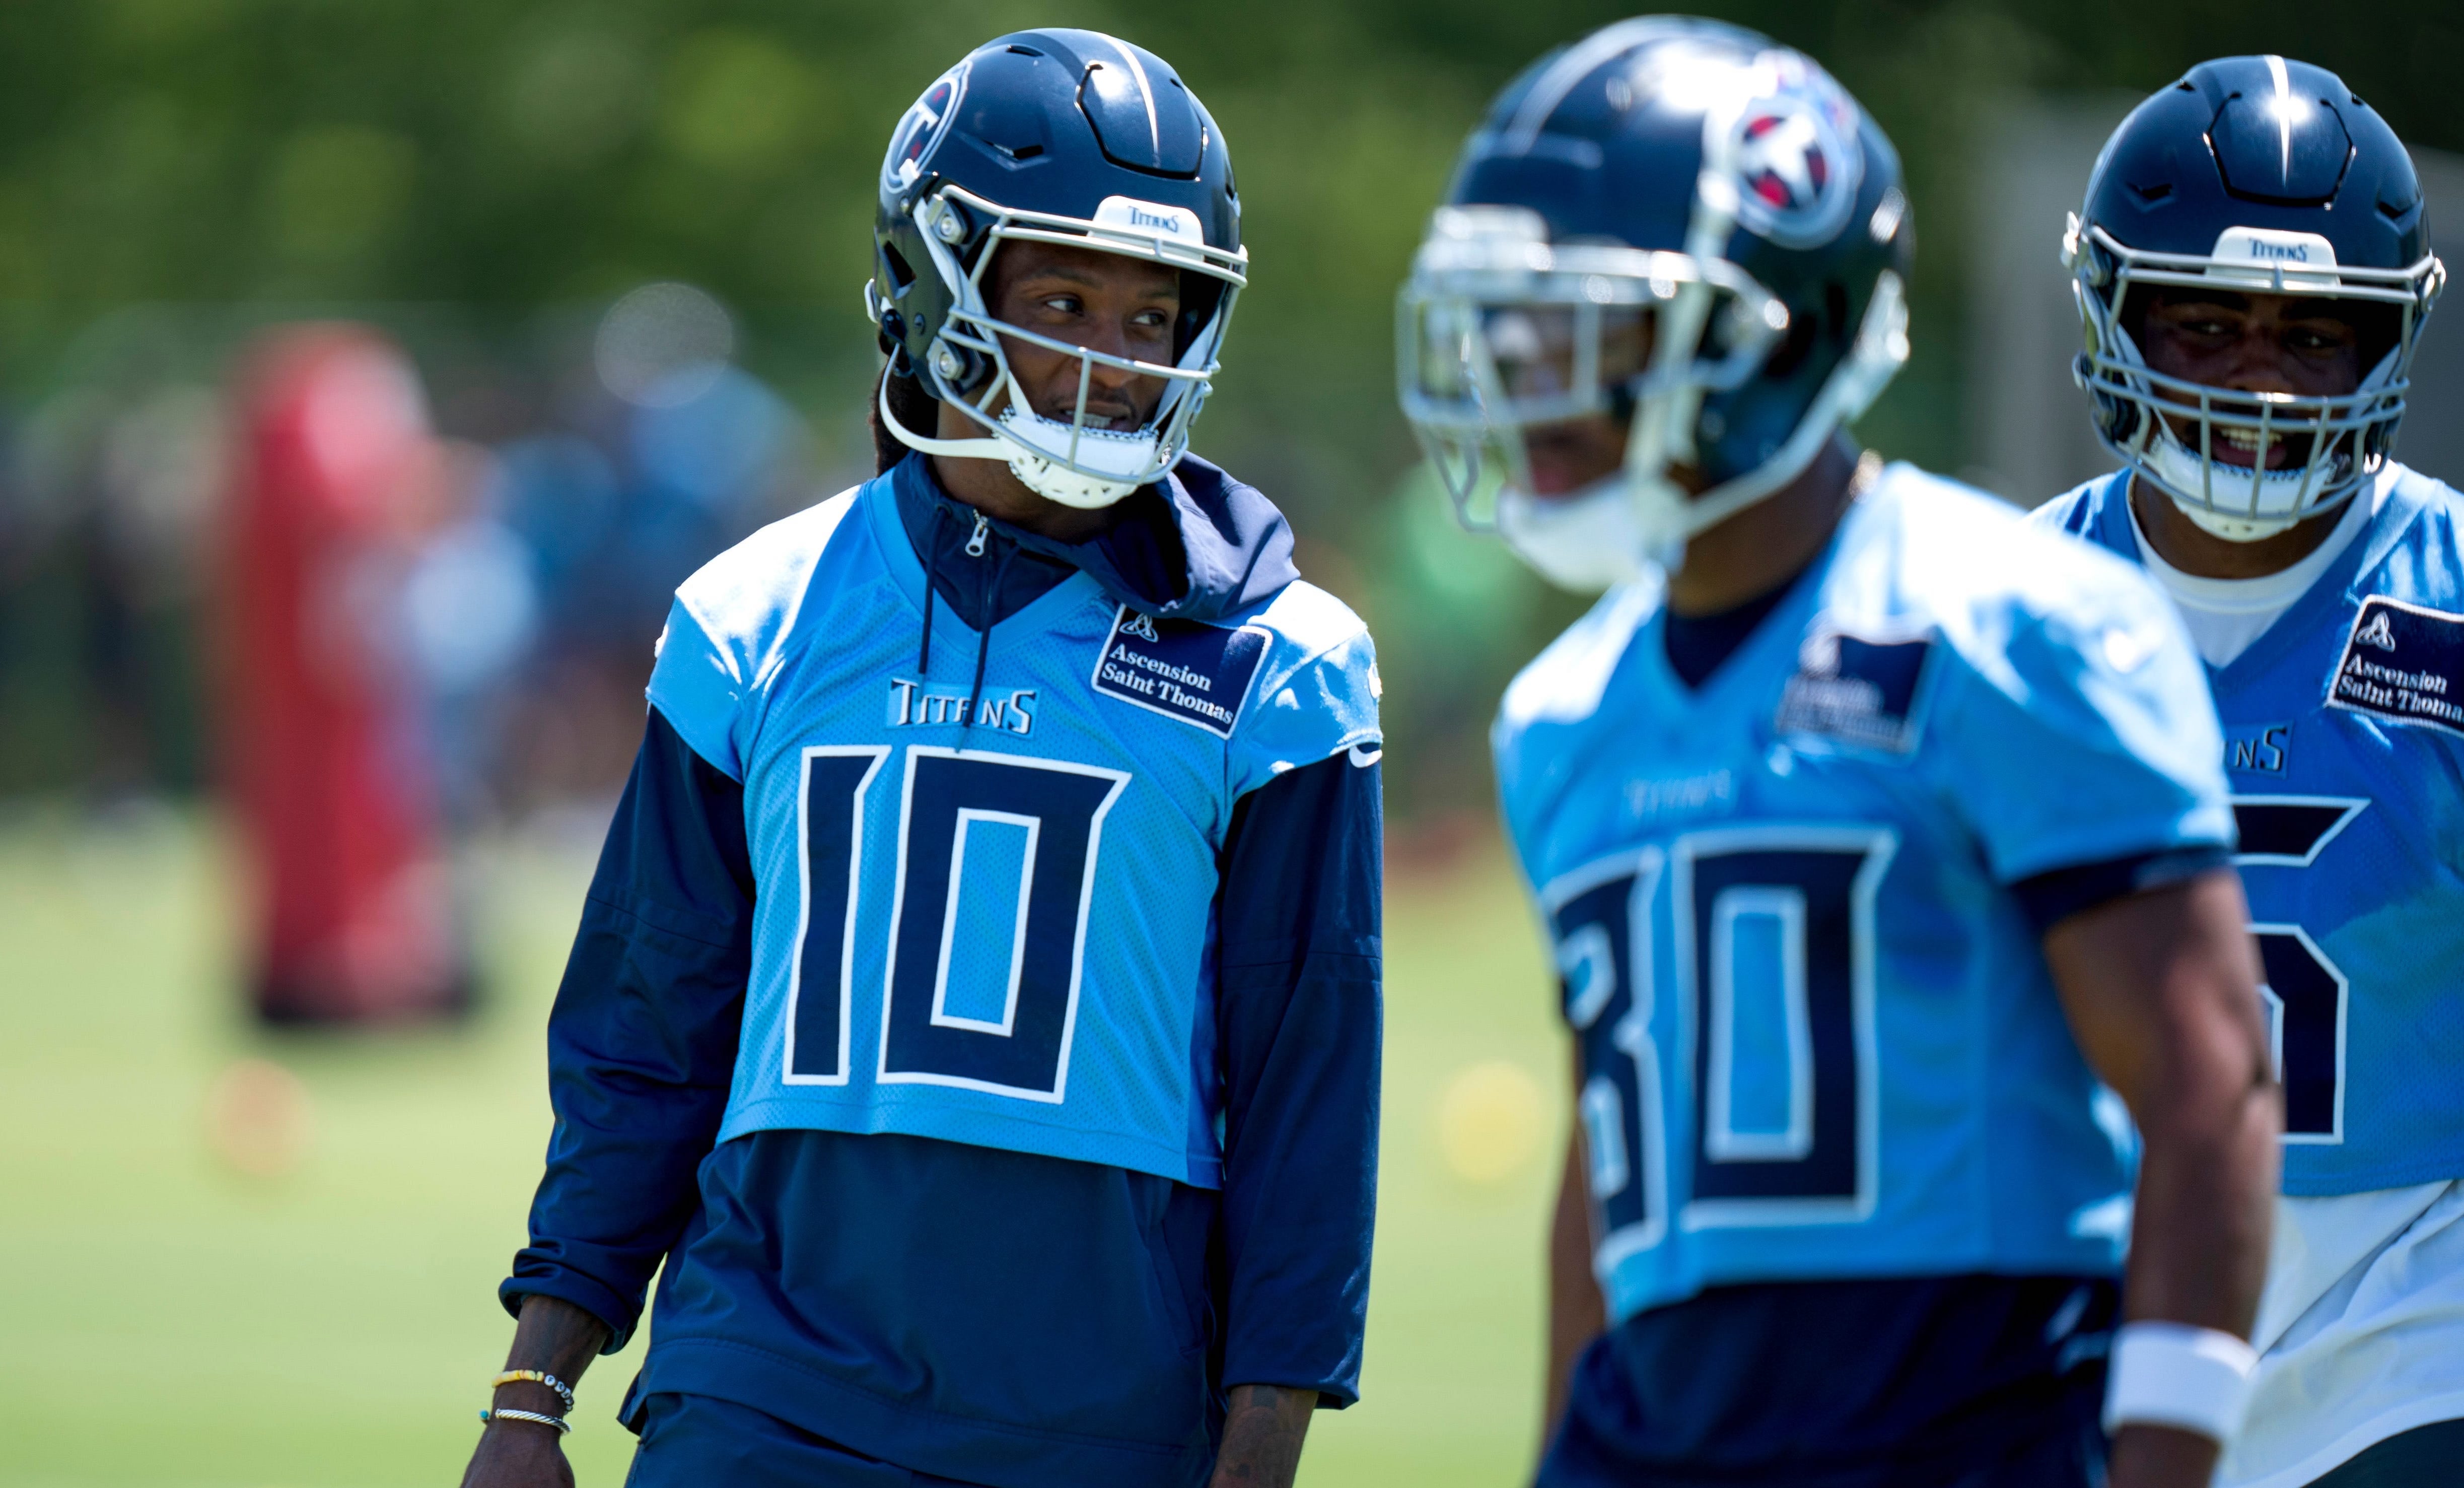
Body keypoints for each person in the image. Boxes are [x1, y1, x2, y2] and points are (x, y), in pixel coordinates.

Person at [458, 29, 1384, 1488]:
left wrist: (1260, 1451)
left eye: (1157, 314)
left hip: (1099, 1411)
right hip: (761, 1384)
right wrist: (531, 1394)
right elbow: (648, 1035)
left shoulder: (1280, 660)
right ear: (933, 281)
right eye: (1064, 296)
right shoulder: (755, 615)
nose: (1112, 356)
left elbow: (1305, 1106)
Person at [1397, 18, 2281, 1487]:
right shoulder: (1564, 708)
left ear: (1780, 326)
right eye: (1510, 316)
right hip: (1652, 1439)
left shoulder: (2015, 626)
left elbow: (2207, 1085)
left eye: (1589, 319)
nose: (1521, 366)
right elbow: (1609, 1173)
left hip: (1958, 1425)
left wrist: (2169, 1453)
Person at [2031, 55, 2461, 1488]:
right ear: (2111, 309)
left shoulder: (2454, 600)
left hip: (2410, 1329)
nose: (2264, 380)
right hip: (2089, 1316)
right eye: (2205, 327)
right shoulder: (2010, 614)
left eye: (2314, 335)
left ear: (2392, 338)